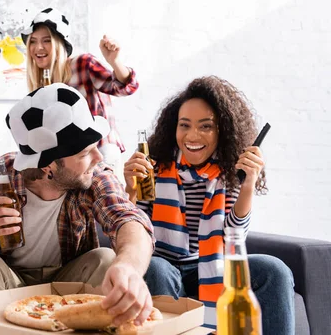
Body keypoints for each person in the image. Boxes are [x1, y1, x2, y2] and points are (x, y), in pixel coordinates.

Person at [0, 83, 156, 327]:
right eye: (84, 153)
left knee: (106, 258)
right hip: (6, 282)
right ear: (48, 166)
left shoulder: (94, 176)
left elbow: (128, 219)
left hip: (67, 282)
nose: (98, 158)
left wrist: (128, 268)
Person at [123, 76, 294, 332]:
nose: (193, 135)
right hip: (164, 264)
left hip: (210, 264)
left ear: (222, 130)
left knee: (275, 270)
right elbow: (138, 228)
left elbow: (233, 236)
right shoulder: (154, 166)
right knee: (156, 268)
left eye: (206, 127)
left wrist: (248, 185)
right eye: (185, 125)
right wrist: (130, 190)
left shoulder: (229, 170)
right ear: (174, 128)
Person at [21, 7, 140, 170]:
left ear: (60, 43)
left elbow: (124, 88)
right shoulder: (44, 82)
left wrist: (115, 62)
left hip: (101, 152)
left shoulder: (82, 64)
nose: (38, 47)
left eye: (47, 40)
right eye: (33, 41)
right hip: (74, 161)